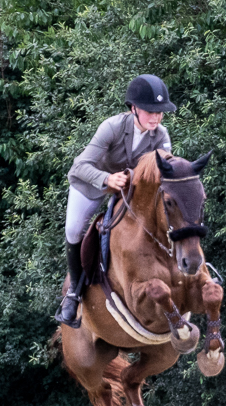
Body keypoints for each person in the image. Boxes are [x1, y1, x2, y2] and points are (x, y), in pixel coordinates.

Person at [55, 74, 177, 327]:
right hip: (91, 184)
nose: (156, 117)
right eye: (150, 111)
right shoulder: (112, 127)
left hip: (128, 191)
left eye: (160, 112)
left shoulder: (161, 135)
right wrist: (106, 178)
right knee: (74, 230)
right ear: (134, 109)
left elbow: (164, 172)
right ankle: (74, 293)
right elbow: (79, 166)